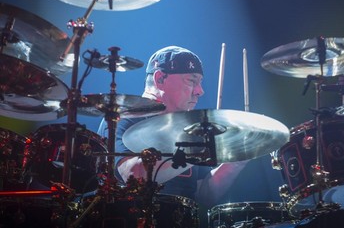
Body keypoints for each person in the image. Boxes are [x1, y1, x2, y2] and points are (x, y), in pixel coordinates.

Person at [97, 46, 248, 226]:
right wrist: (198, 147)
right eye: (192, 81)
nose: (200, 91)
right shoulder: (122, 119)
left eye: (199, 82)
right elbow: (135, 177)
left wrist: (236, 161)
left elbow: (205, 194)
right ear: (160, 78)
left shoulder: (188, 129)